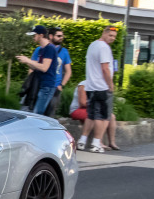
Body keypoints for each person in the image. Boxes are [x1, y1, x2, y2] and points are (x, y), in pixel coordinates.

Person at [80, 26, 117, 154]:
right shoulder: (104, 47)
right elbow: (105, 68)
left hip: (90, 86)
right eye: (110, 35)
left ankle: (82, 140)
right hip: (102, 86)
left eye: (114, 36)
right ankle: (96, 143)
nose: (112, 38)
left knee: (91, 115)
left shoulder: (93, 45)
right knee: (101, 117)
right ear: (104, 33)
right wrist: (110, 85)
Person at [15, 25, 60, 117]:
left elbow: (44, 68)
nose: (33, 37)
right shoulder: (41, 49)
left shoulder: (49, 48)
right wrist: (25, 61)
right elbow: (36, 66)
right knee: (34, 113)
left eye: (34, 35)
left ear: (41, 35)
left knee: (37, 114)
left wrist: (28, 60)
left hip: (46, 86)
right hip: (40, 85)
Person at [71, 80, 117, 149]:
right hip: (77, 110)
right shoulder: (83, 85)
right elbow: (82, 103)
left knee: (111, 116)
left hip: (91, 109)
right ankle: (98, 142)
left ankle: (112, 142)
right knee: (97, 116)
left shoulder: (99, 86)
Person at [47, 27, 73, 116]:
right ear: (51, 36)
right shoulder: (42, 49)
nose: (61, 38)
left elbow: (68, 71)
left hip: (55, 88)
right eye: (58, 36)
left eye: (62, 36)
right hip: (42, 86)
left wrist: (61, 85)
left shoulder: (64, 52)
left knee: (50, 115)